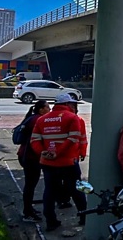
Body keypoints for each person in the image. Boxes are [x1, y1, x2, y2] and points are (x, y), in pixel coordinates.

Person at [30, 94, 87, 232]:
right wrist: (58, 152)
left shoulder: (42, 119)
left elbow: (34, 140)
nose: (73, 106)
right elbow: (73, 138)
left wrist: (43, 152)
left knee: (49, 191)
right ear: (67, 104)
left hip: (48, 163)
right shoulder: (72, 118)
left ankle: (51, 221)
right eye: (72, 104)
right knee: (77, 189)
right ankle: (84, 216)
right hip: (68, 162)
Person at [17, 100, 51, 222]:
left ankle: (29, 209)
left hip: (25, 154)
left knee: (30, 184)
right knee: (30, 185)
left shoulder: (32, 118)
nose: (50, 109)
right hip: (30, 157)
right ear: (41, 109)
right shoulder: (38, 120)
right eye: (48, 107)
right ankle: (27, 212)